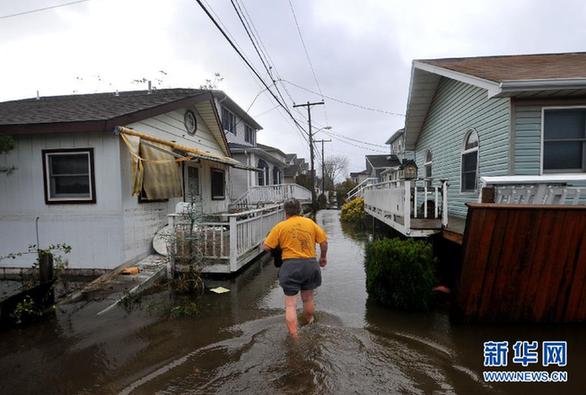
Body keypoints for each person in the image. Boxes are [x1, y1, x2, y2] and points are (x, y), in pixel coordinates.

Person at [263, 198, 328, 337]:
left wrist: (278, 248)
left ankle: (295, 337)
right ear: (300, 210)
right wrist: (323, 257)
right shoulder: (310, 223)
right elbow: (323, 242)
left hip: (290, 266)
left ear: (285, 211)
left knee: (291, 305)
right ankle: (309, 323)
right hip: (310, 265)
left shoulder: (280, 226)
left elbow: (266, 247)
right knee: (308, 299)